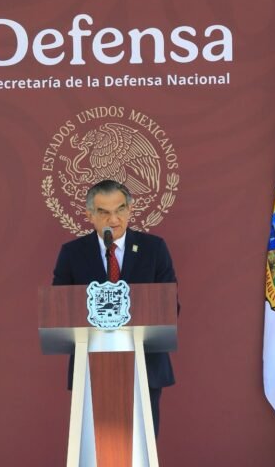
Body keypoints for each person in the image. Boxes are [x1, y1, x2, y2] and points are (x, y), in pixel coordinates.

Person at [52, 179, 177, 437]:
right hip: (90, 369)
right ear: (89, 215)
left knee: (140, 448)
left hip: (145, 366)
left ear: (130, 210)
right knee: (94, 450)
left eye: (120, 209)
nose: (114, 219)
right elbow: (59, 311)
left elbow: (170, 307)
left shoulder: (154, 249)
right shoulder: (72, 253)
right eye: (104, 212)